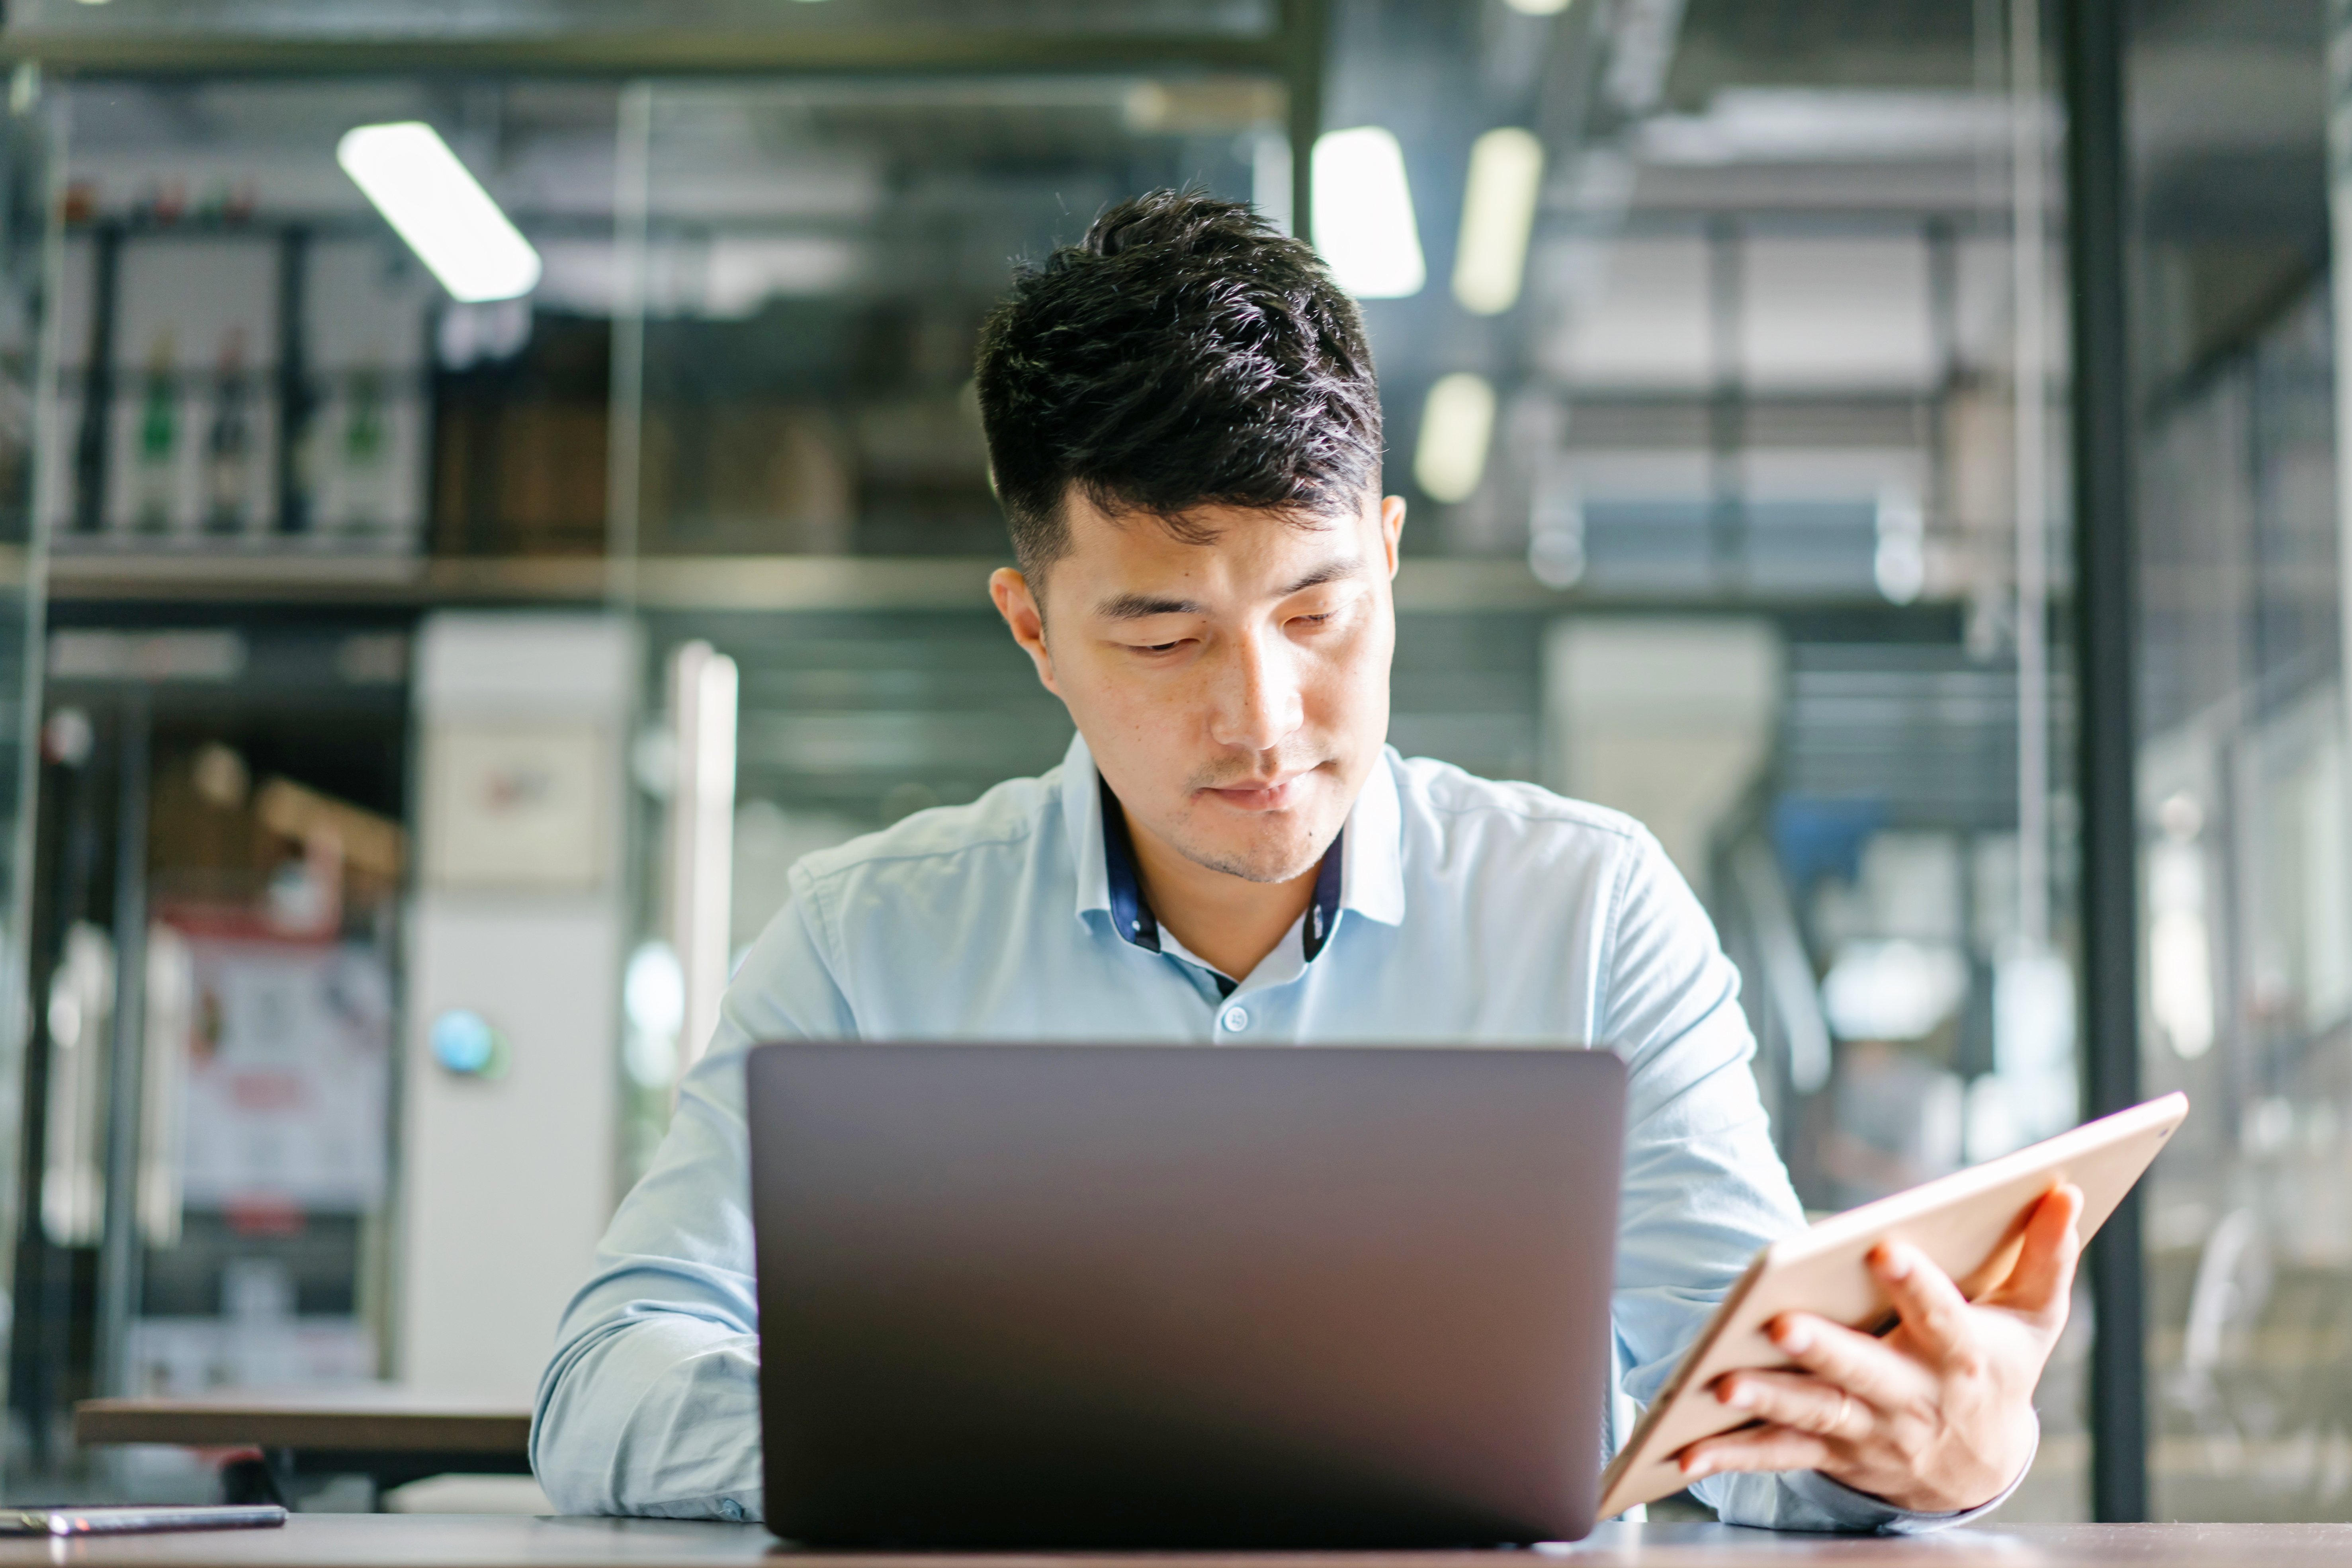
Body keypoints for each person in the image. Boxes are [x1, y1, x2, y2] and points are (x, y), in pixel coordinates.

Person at [532, 190, 2082, 1531]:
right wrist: (966, 1446)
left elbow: (1748, 1417)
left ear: (1390, 555)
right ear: (1034, 630)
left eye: (1319, 612)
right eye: (1160, 630)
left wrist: (1945, 1450)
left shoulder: (1588, 915)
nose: (1263, 718)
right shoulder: (868, 947)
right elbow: (608, 1376)